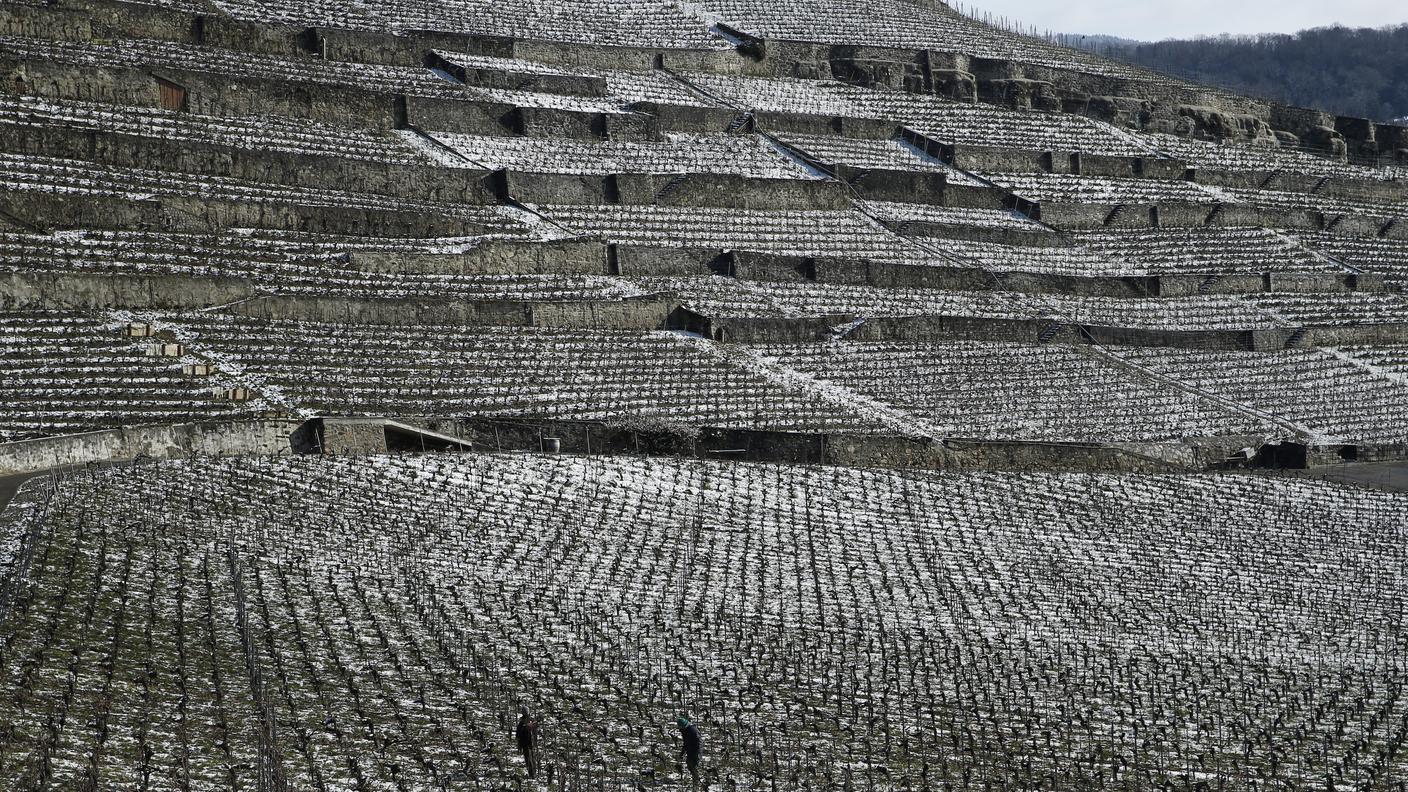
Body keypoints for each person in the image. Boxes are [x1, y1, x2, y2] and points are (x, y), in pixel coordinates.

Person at [516, 705, 540, 779]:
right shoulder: (532, 721)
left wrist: (519, 745)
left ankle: (532, 774)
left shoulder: (522, 723)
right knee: (532, 758)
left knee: (528, 759)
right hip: (531, 743)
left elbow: (518, 735)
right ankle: (534, 774)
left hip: (525, 743)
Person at [677, 716, 701, 783]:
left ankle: (696, 781)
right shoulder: (685, 731)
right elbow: (685, 743)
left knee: (693, 766)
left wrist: (697, 753)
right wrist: (682, 753)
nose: (679, 729)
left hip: (695, 752)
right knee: (689, 764)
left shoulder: (693, 731)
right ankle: (695, 779)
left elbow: (699, 743)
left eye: (680, 727)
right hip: (690, 751)